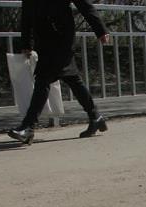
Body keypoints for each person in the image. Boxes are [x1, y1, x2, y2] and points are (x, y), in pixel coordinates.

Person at [9, 0, 111, 144]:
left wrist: (101, 30)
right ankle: (96, 117)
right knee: (72, 79)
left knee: (43, 79)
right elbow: (26, 15)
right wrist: (26, 43)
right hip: (43, 40)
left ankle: (28, 127)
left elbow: (84, 5)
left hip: (62, 38)